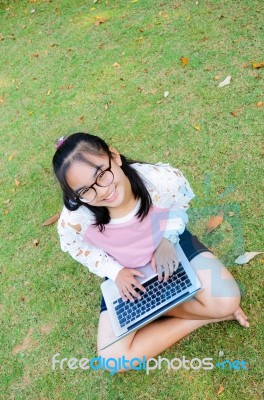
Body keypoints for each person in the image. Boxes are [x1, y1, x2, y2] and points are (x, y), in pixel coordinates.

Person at [52, 132, 249, 373]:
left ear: (114, 156)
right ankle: (208, 315)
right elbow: (75, 246)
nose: (102, 191)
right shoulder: (77, 217)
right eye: (85, 191)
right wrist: (115, 272)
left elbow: (179, 203)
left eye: (102, 174)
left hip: (172, 245)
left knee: (228, 297)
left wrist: (166, 239)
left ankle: (159, 311)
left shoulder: (157, 180)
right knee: (113, 360)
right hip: (129, 273)